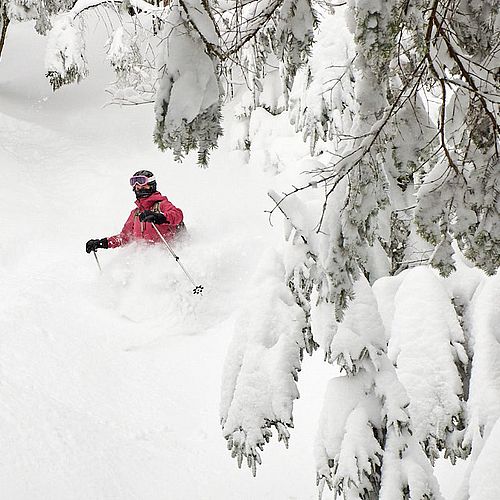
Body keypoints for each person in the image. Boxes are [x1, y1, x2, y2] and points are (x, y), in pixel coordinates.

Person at [86, 170, 184, 254]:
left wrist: (160, 217)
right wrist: (102, 243)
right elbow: (125, 237)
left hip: (169, 256)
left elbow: (178, 215)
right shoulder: (136, 214)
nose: (139, 188)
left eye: (142, 184)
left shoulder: (161, 205)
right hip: (147, 264)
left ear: (151, 185)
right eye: (136, 186)